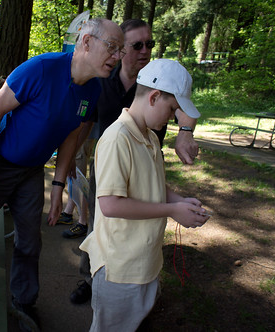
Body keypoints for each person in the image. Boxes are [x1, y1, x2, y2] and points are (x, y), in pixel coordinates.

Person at [0, 18, 125, 331]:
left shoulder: (94, 88)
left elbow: (72, 134)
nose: (118, 56)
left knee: (30, 240)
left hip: (31, 169)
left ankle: (24, 301)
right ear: (86, 42)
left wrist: (58, 187)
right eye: (112, 47)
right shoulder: (40, 70)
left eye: (120, 50)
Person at [68, 19, 199, 305]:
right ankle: (93, 278)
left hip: (144, 162)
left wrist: (185, 133)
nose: (145, 50)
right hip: (112, 165)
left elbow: (181, 106)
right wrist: (67, 164)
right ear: (120, 50)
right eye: (137, 45)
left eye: (149, 44)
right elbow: (86, 121)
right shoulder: (103, 81)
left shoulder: (154, 106)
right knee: (99, 225)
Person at [80, 58, 210, 332]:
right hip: (120, 267)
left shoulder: (149, 137)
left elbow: (151, 185)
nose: (172, 118)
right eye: (172, 109)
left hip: (144, 261)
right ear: (153, 97)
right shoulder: (118, 138)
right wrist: (171, 211)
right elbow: (112, 205)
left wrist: (178, 201)